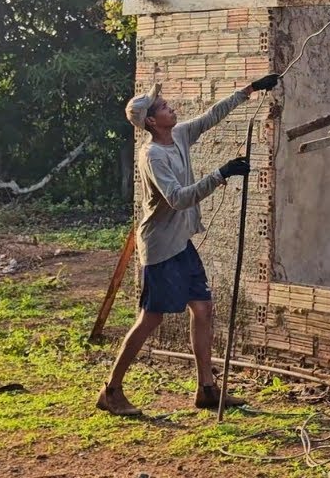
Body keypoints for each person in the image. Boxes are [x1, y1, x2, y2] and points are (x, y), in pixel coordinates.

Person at [96, 73, 280, 416]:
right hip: (161, 247)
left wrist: (251, 89)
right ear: (152, 121)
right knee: (150, 320)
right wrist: (220, 174)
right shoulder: (152, 156)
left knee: (204, 309)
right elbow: (178, 199)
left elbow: (211, 116)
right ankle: (112, 390)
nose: (171, 108)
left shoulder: (178, 135)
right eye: (164, 107)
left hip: (181, 243)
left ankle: (206, 389)